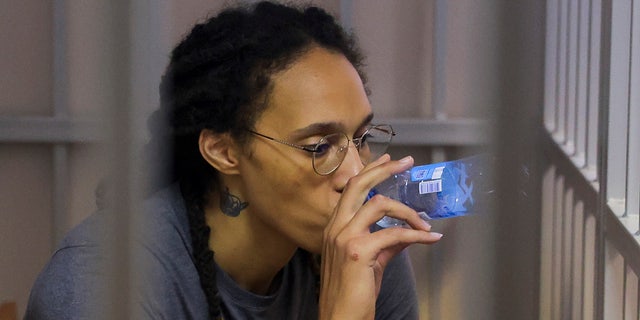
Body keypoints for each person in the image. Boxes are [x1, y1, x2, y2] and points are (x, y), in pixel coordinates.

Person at [25, 1, 442, 319]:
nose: (356, 174)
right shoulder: (99, 279)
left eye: (361, 137)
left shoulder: (360, 248)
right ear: (224, 152)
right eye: (318, 147)